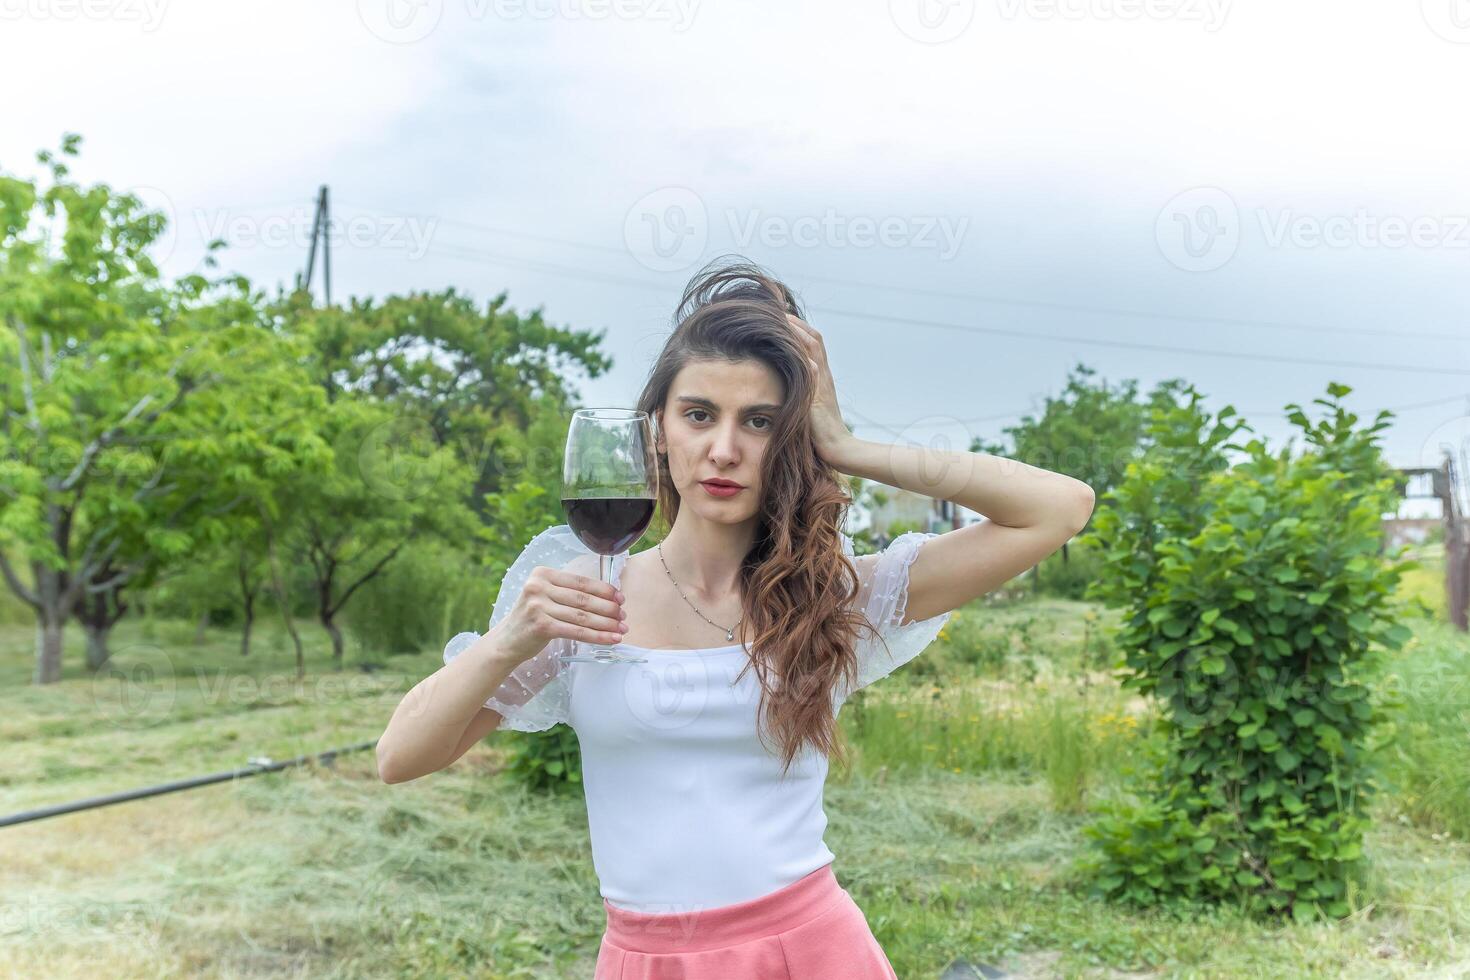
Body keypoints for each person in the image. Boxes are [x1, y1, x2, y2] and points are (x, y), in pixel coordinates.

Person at [376, 256, 1096, 979]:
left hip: (813, 951)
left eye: (759, 421)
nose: (724, 449)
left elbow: (1059, 508)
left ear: (791, 440)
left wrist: (846, 447)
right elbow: (399, 757)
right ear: (656, 429)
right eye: (698, 415)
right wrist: (508, 642)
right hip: (648, 961)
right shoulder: (585, 599)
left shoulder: (833, 599)